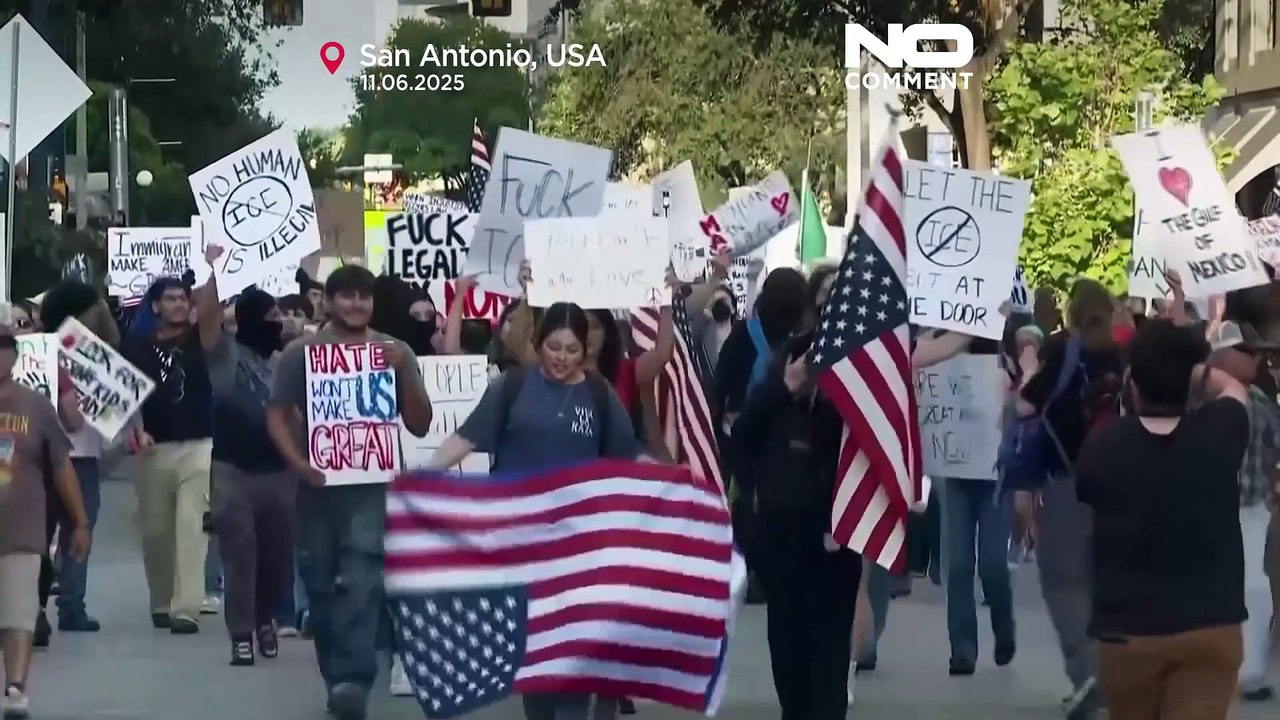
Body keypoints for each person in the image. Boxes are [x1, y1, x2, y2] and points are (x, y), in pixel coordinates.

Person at [428, 301, 643, 720]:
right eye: (553, 346)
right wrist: (423, 476)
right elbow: (465, 439)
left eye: (571, 349)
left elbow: (629, 455)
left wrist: (675, 484)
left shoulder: (599, 394)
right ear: (538, 343)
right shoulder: (511, 387)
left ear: (585, 349)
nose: (561, 357)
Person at [266, 265, 432, 720]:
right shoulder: (302, 353)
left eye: (365, 297)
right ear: (329, 302)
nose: (356, 305)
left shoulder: (395, 352)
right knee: (319, 587)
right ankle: (335, 677)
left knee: (362, 581)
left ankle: (353, 680)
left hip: (371, 491)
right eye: (347, 296)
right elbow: (277, 414)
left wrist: (404, 375)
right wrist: (298, 464)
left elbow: (420, 422)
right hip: (317, 491)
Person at [1077, 319, 1247, 720]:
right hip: (1211, 625)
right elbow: (1234, 389)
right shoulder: (1221, 433)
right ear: (1190, 382)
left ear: (1132, 381)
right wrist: (1197, 373)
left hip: (1127, 630)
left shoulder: (1104, 445)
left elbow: (1086, 496)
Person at [732, 330, 858, 720]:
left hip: (833, 541)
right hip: (781, 540)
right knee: (787, 640)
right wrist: (786, 388)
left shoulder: (843, 406)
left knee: (829, 646)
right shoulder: (773, 403)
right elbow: (742, 435)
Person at [1015, 278, 1125, 720]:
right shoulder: (1121, 355)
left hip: (1067, 478)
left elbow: (1027, 405)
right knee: (1104, 582)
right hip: (1118, 483)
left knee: (1063, 583)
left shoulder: (1062, 351)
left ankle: (1087, 679)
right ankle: (1112, 676)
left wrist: (1026, 371)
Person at [121, 254, 222, 634]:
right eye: (172, 299)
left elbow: (211, 310)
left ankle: (186, 607)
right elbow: (121, 394)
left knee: (191, 525)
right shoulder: (135, 344)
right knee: (156, 531)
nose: (180, 304)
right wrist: (134, 427)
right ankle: (162, 602)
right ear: (155, 306)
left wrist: (213, 269)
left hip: (198, 444)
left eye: (184, 298)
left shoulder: (200, 338)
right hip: (153, 447)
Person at [0, 310, 92, 717]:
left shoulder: (36, 407)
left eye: (4, 350)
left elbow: (61, 465)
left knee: (19, 613)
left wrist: (80, 521)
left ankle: (15, 688)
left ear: (15, 357)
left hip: (21, 530)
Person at [207, 275, 297, 666]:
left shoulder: (285, 362)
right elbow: (209, 319)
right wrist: (210, 270)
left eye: (281, 315)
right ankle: (240, 633)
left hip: (280, 471)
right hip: (233, 470)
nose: (279, 323)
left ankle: (265, 621)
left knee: (275, 557)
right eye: (271, 316)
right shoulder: (226, 353)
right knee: (239, 554)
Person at [38, 282, 120, 634]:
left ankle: (34, 607)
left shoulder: (38, 350)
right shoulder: (77, 351)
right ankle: (71, 606)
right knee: (79, 528)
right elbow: (72, 417)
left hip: (42, 455)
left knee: (38, 533)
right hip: (76, 455)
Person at [1205, 320, 1279, 701]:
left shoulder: (1263, 404)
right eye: (1245, 352)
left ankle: (1250, 671)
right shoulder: (1202, 401)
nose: (1255, 359)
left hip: (1251, 510)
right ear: (1221, 356)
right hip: (1211, 509)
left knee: (1254, 586)